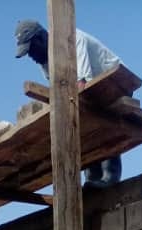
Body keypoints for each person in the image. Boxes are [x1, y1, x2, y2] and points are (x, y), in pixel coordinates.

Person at [14, 19, 124, 188]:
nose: (31, 56)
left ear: (41, 38)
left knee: (98, 120)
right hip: (90, 93)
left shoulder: (71, 38)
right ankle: (93, 178)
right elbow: (59, 91)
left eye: (31, 49)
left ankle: (110, 177)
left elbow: (83, 83)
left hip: (116, 83)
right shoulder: (45, 61)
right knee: (81, 126)